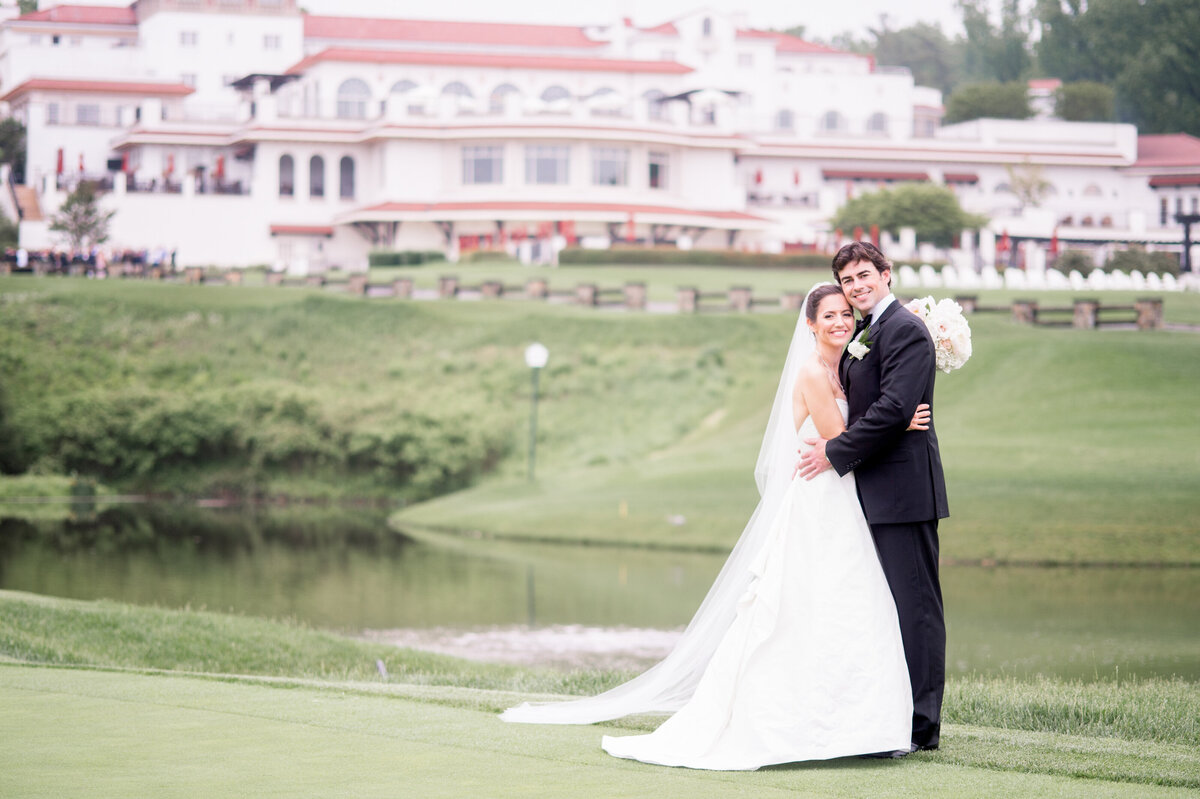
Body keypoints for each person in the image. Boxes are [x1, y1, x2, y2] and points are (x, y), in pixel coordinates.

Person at [502, 282, 931, 770]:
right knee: (807, 609)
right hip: (820, 505)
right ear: (809, 325)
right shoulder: (814, 372)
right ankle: (803, 723)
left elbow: (854, 434)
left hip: (840, 503)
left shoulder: (847, 368)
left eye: (844, 314)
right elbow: (840, 442)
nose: (839, 322)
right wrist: (900, 423)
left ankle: (857, 725)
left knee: (846, 607)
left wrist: (888, 417)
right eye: (828, 315)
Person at [797, 241, 949, 754]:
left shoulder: (903, 328)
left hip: (904, 490)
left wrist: (836, 449)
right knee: (885, 609)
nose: (857, 287)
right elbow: (882, 407)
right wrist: (888, 419)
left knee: (916, 609)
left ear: (886, 274)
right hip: (873, 488)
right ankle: (884, 714)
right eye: (847, 281)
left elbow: (892, 407)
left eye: (864, 276)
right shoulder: (867, 330)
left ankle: (921, 728)